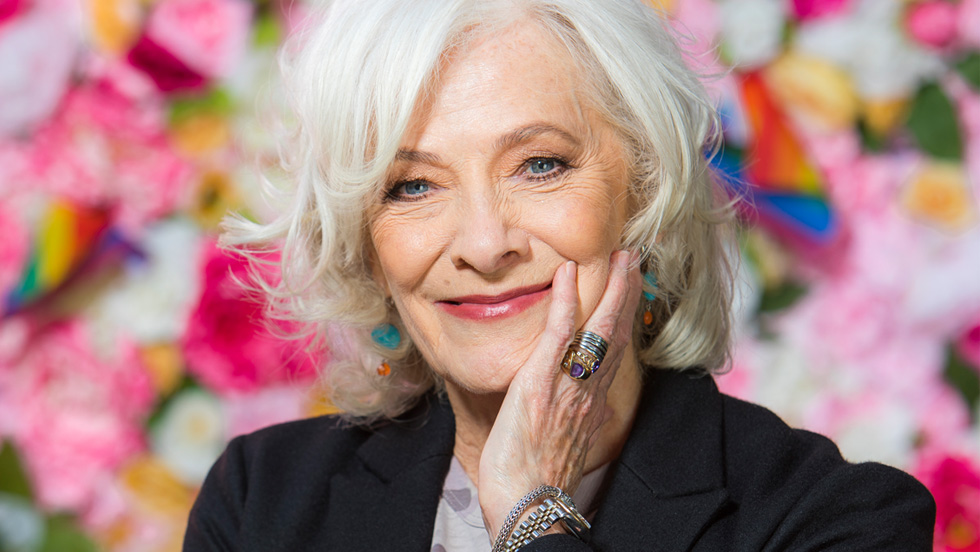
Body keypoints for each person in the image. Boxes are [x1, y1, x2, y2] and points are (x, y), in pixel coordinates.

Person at [183, 0, 936, 550]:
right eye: (412, 186)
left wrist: (531, 512)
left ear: (646, 192)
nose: (484, 244)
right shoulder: (260, 503)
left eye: (539, 165)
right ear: (368, 244)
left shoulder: (836, 521)